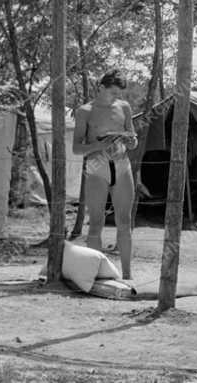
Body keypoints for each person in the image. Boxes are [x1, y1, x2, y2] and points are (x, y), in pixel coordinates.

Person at [72, 70, 138, 280]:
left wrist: (130, 141)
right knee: (96, 223)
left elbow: (133, 139)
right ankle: (96, 275)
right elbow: (76, 148)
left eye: (119, 93)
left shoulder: (124, 107)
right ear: (101, 88)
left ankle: (127, 275)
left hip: (121, 165)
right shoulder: (85, 111)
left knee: (125, 222)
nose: (116, 97)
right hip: (96, 168)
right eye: (112, 92)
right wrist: (99, 145)